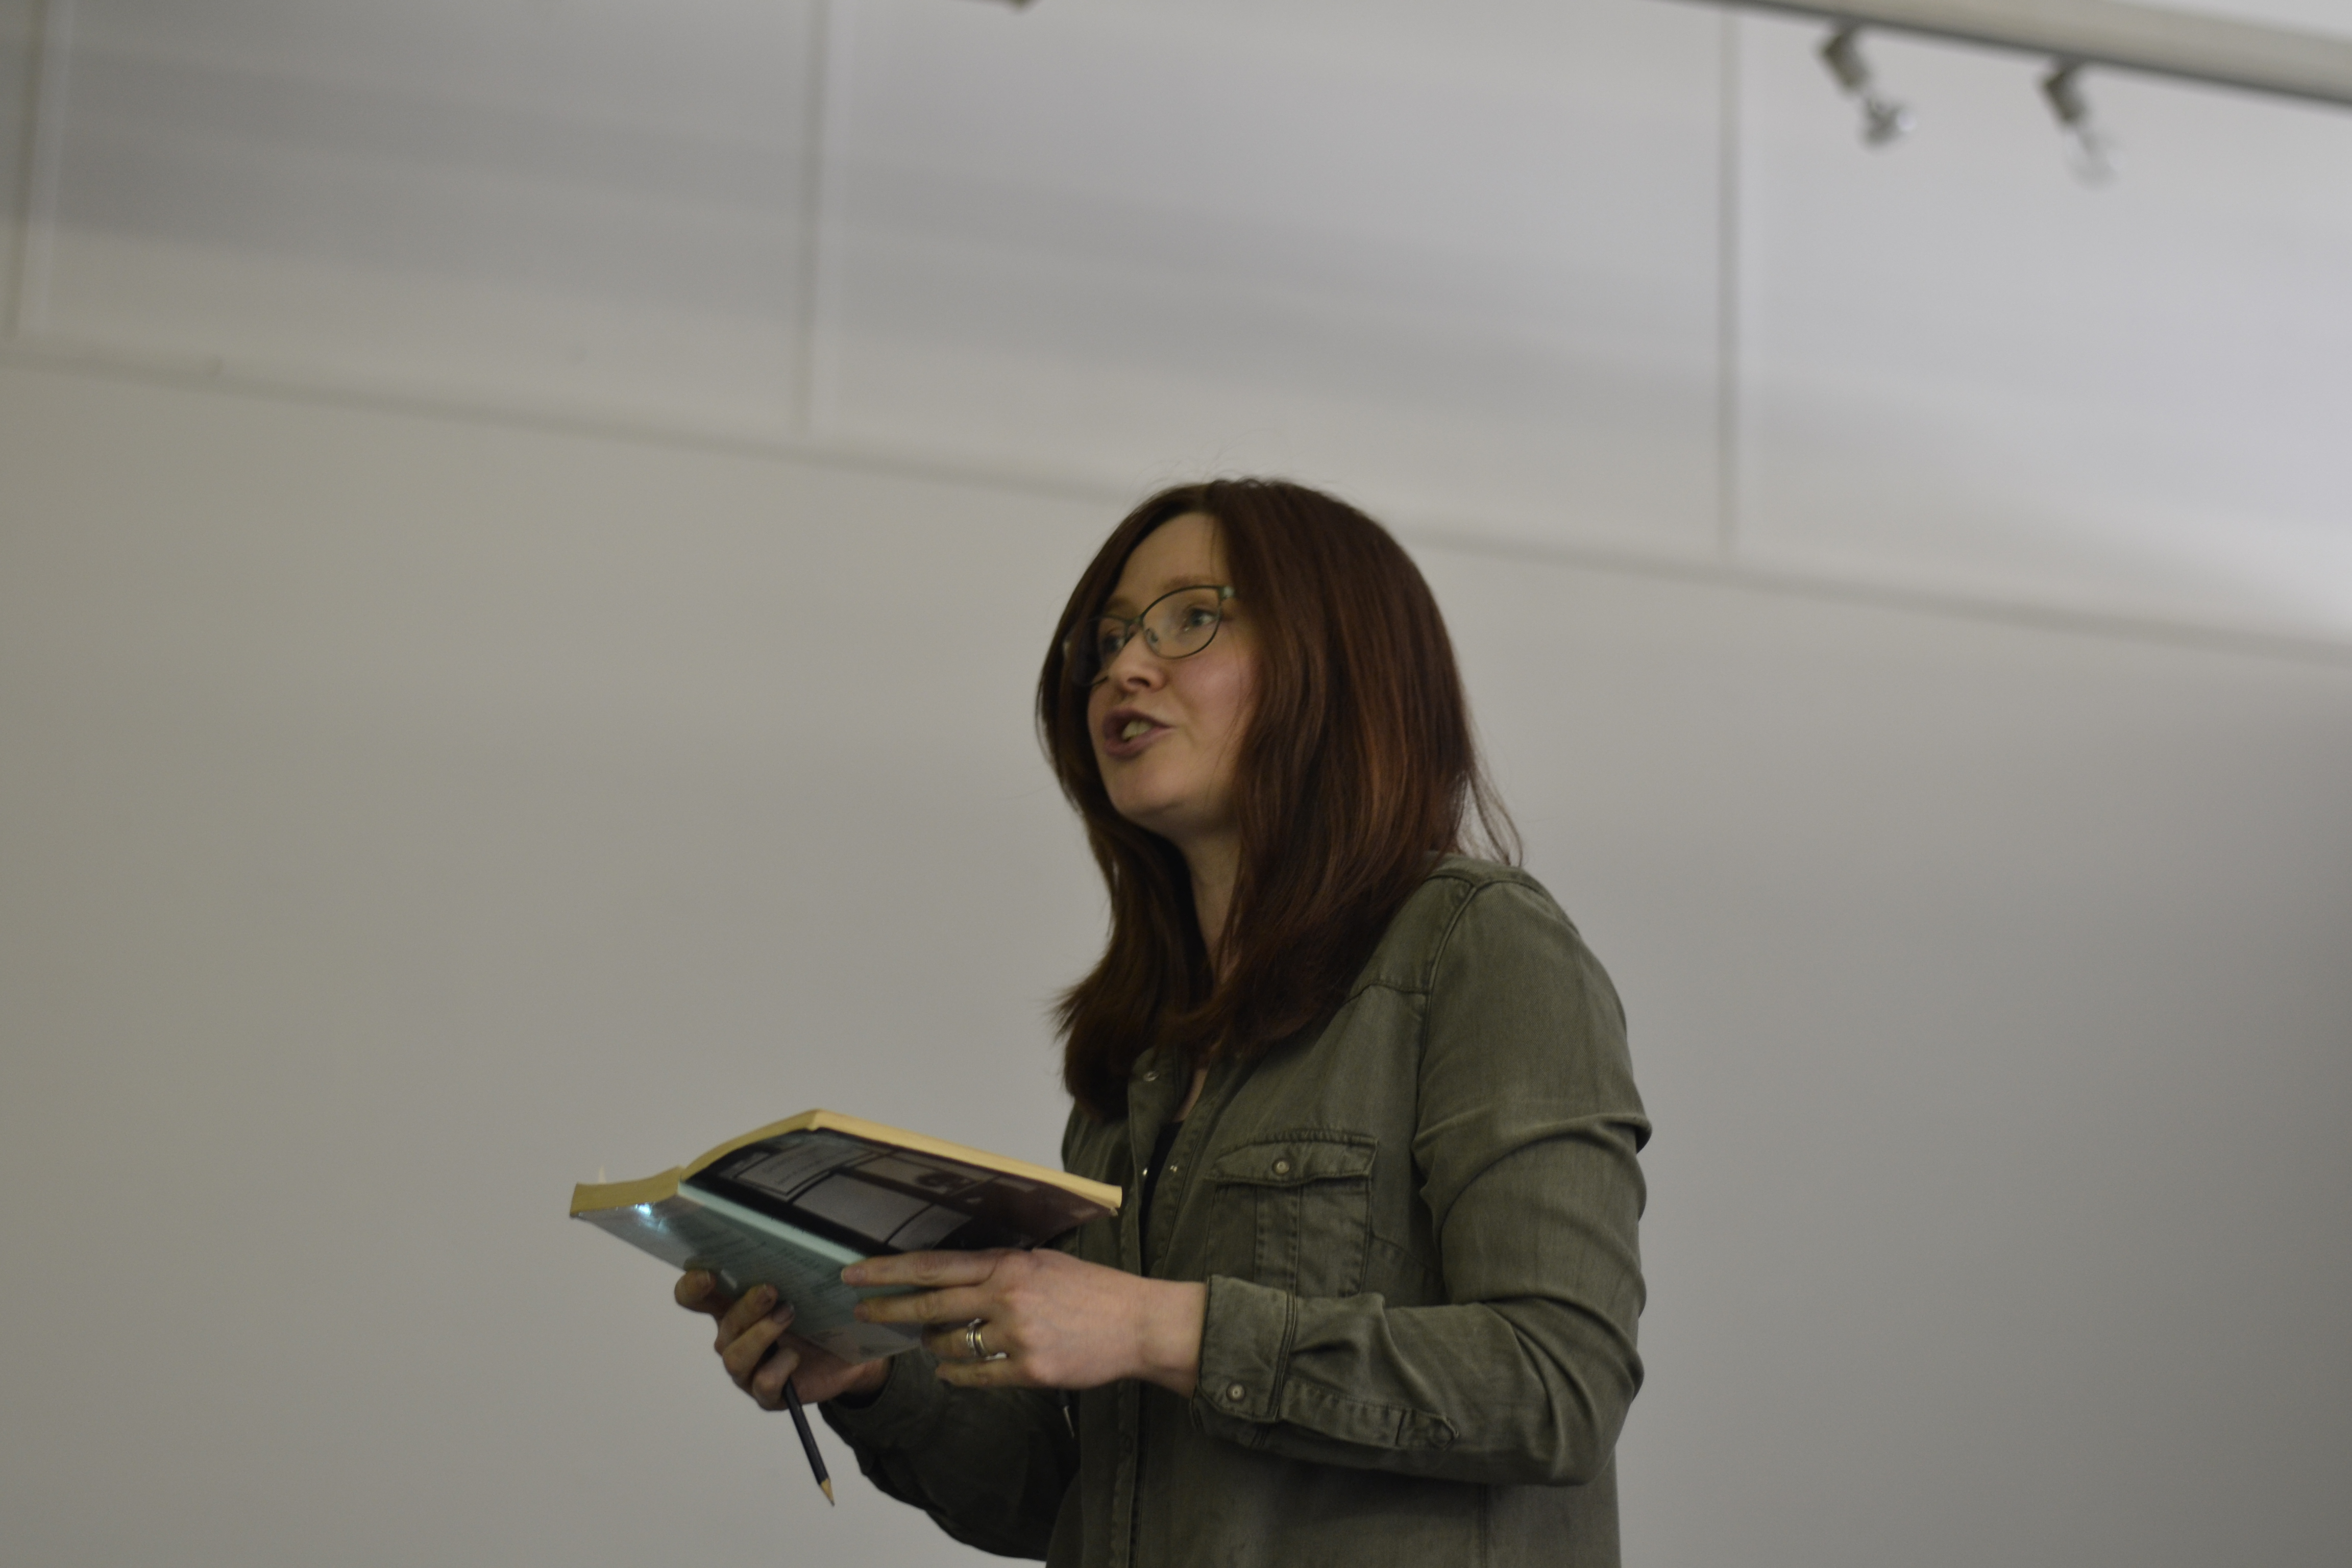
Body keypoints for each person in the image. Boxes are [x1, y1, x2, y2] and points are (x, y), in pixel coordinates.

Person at [674, 480, 1649, 1566]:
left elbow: (1559, 1383)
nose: (1126, 669)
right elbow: (1084, 1498)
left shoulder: (1478, 945)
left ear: (1338, 660)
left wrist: (1156, 1326)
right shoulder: (1144, 1053)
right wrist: (869, 1377)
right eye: (1108, 640)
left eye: (1191, 619)